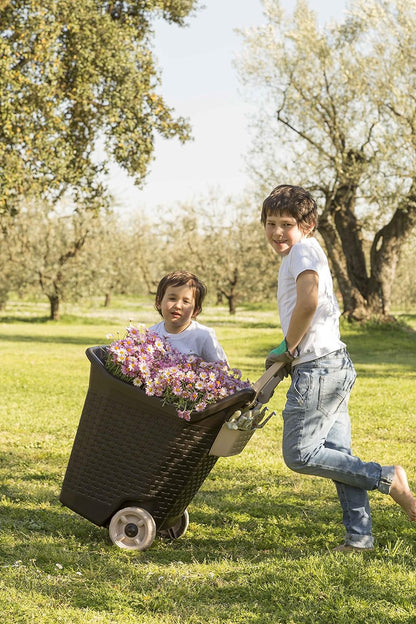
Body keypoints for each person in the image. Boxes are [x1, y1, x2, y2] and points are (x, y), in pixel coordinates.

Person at [262, 183, 416, 552]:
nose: (278, 232)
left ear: (307, 225)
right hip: (330, 364)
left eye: (286, 223)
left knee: (301, 454)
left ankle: (387, 477)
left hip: (319, 369)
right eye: (271, 223)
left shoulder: (302, 252)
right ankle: (359, 537)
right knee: (339, 457)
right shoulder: (304, 251)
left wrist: (288, 347)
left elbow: (309, 303)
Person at [150, 270, 227, 363]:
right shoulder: (150, 335)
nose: (178, 306)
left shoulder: (203, 336)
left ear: (195, 310)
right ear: (158, 302)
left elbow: (222, 371)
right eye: (172, 299)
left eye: (186, 301)